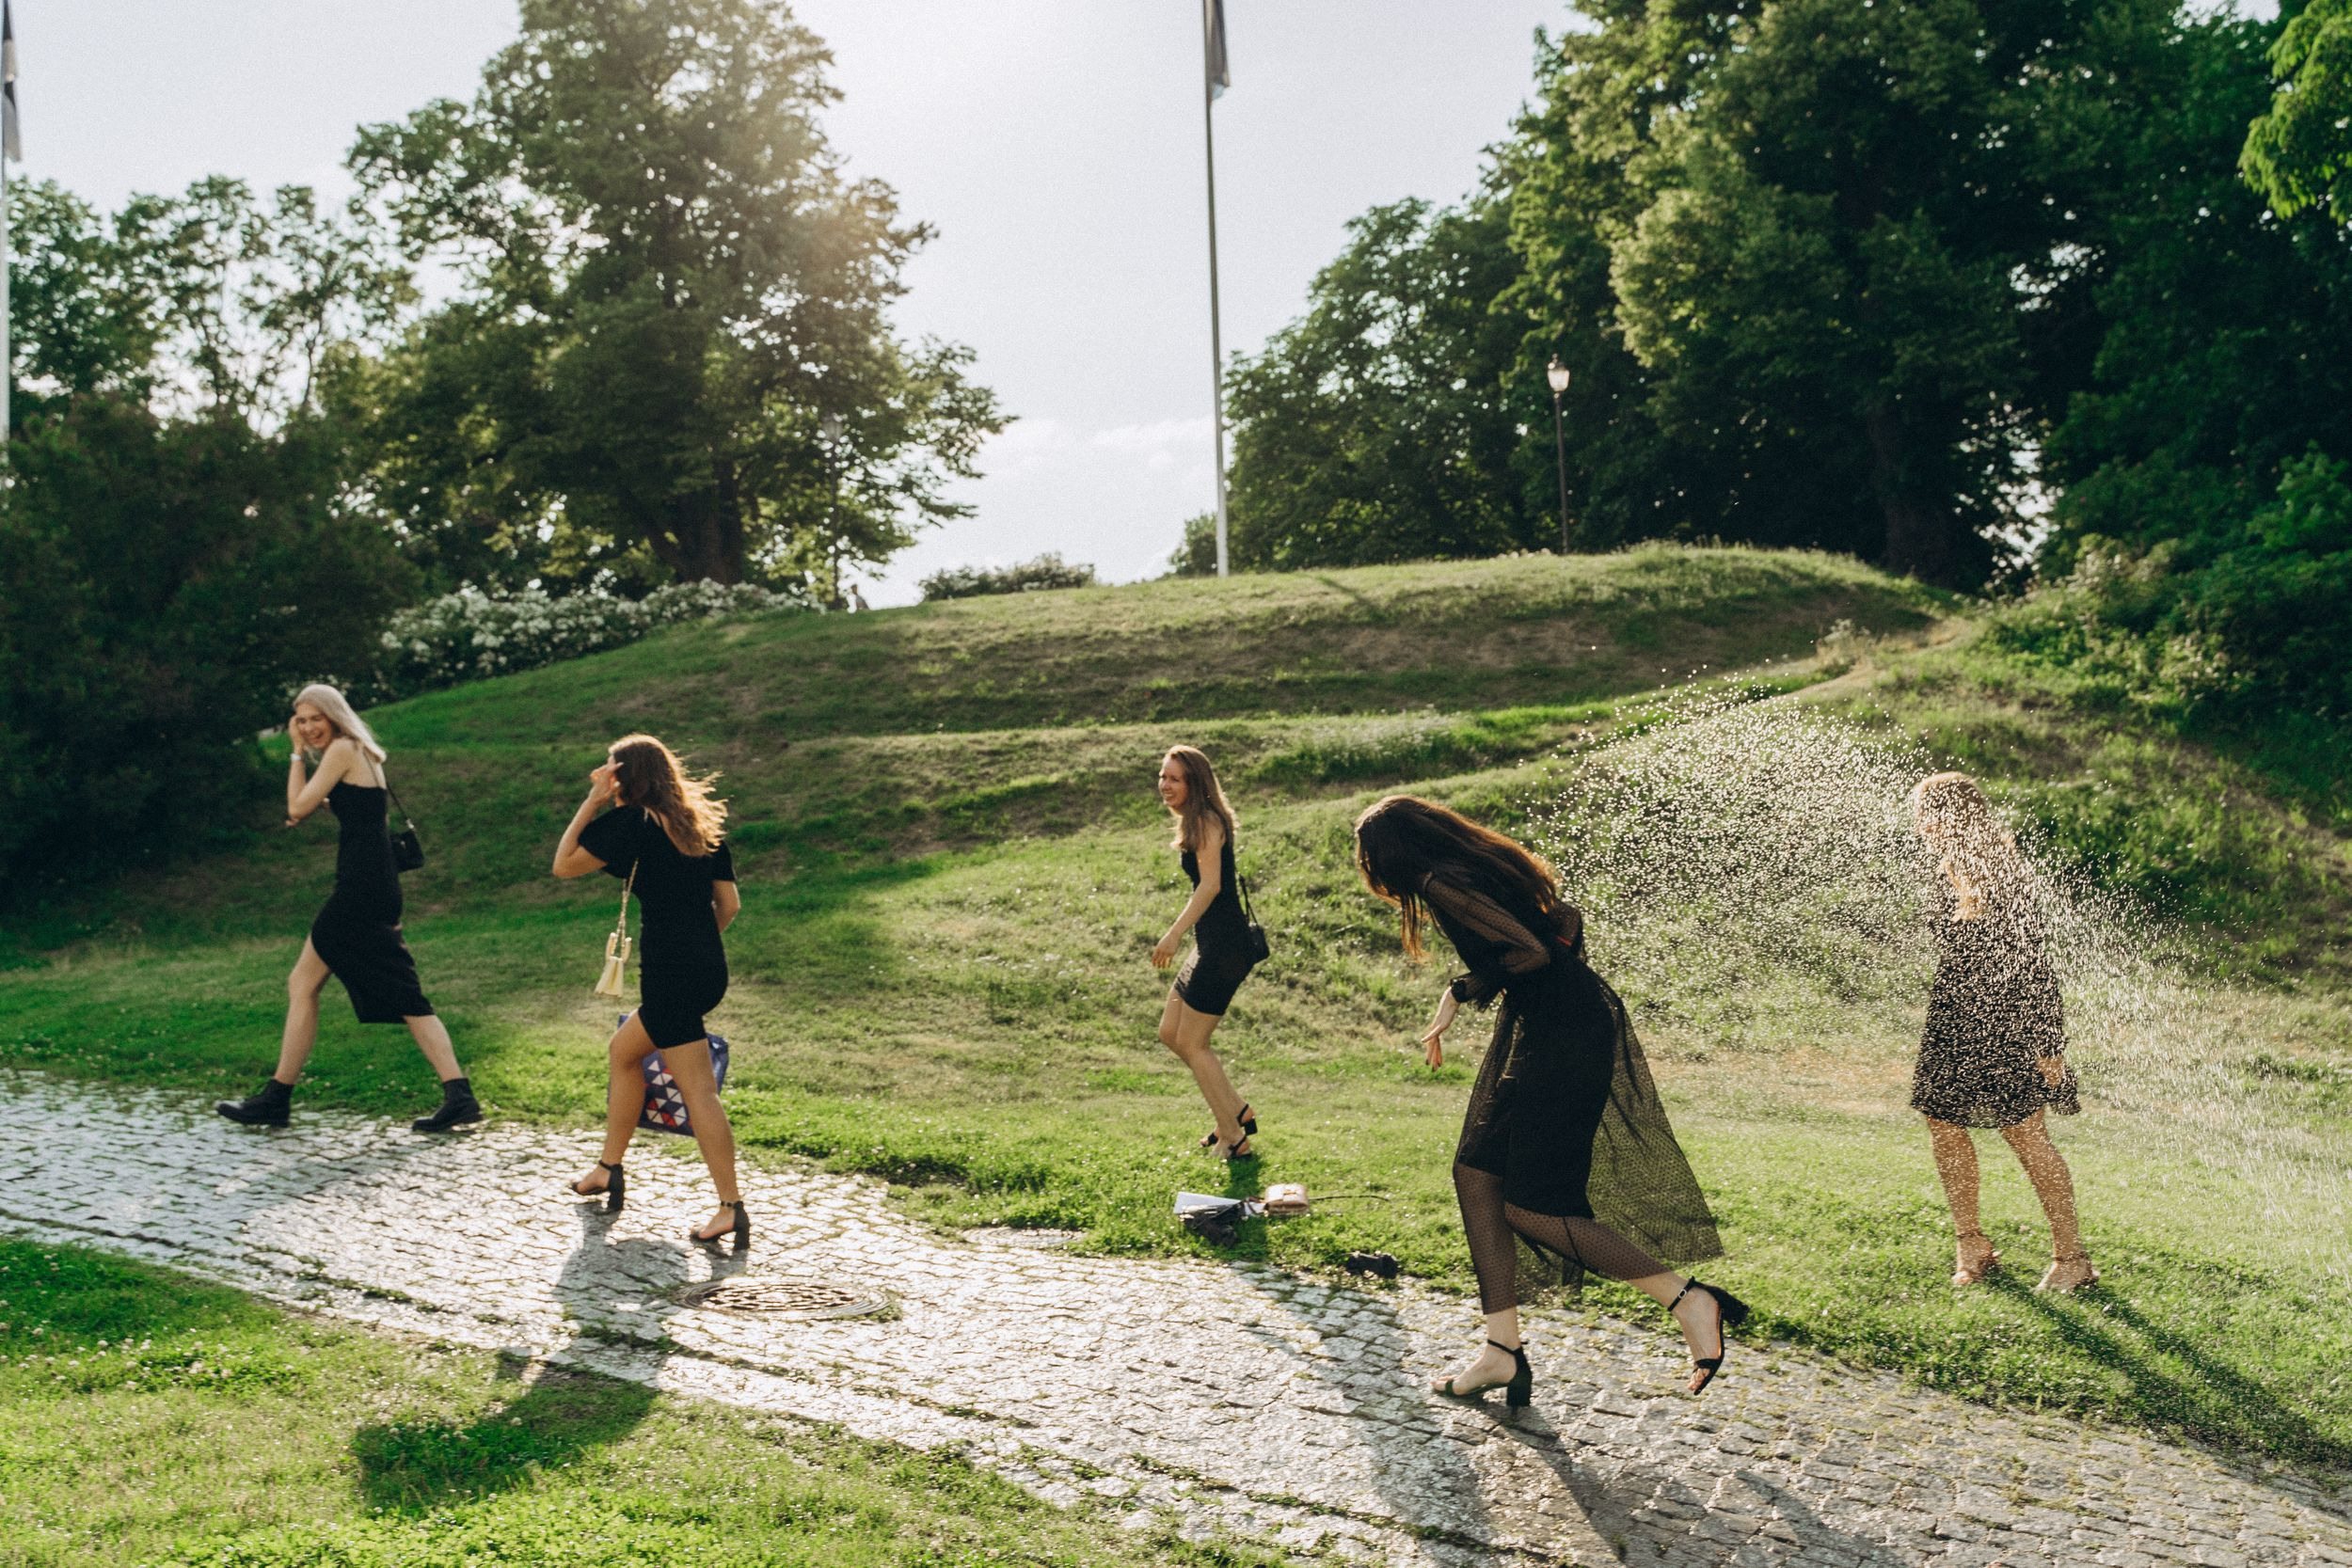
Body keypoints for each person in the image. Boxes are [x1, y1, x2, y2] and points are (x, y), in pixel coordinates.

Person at [1352, 795, 1741, 1404]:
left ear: (1391, 855)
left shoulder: (1440, 881)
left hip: (1564, 1038)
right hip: (1558, 1026)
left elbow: (1530, 951)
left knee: (1531, 1206)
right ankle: (1501, 1351)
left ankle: (1689, 1299)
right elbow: (1565, 918)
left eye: (1370, 860)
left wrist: (1461, 989)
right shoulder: (1477, 867)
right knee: (1477, 1175)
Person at [216, 685, 482, 1132]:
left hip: (361, 889)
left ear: (335, 716)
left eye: (314, 718)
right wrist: (309, 791)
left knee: (395, 993)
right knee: (317, 984)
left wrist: (296, 755)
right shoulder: (356, 752)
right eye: (299, 721)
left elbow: (296, 805)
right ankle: (457, 1095)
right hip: (371, 884)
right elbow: (318, 806)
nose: (307, 727)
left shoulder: (342, 749)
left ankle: (278, 1099)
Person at [554, 734, 748, 1247]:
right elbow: (729, 907)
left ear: (624, 777)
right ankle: (607, 1168)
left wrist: (591, 802)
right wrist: (699, 944)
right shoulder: (698, 827)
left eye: (610, 771)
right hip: (708, 968)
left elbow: (564, 863)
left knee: (699, 1089)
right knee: (624, 1052)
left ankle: (730, 1207)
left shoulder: (633, 824)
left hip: (671, 974)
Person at [1910, 772, 2094, 1292]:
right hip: (1954, 1017)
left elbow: (2034, 963)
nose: (1921, 826)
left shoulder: (2002, 872)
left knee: (2026, 1136)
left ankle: (2073, 1259)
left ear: (1951, 816)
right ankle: (1971, 1243)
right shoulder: (1944, 867)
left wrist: (2048, 1044)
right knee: (1943, 1125)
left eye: (1926, 813)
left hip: (2006, 1020)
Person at [1152, 747, 1261, 1158]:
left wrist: (1173, 934)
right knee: (1170, 1033)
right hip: (1211, 943)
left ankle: (1234, 1138)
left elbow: (1211, 885)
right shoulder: (1196, 821)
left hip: (1225, 947)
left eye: (1174, 778)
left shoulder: (1207, 822)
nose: (1165, 785)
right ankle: (1235, 1111)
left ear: (1194, 783)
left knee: (1194, 1043)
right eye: (1162, 776)